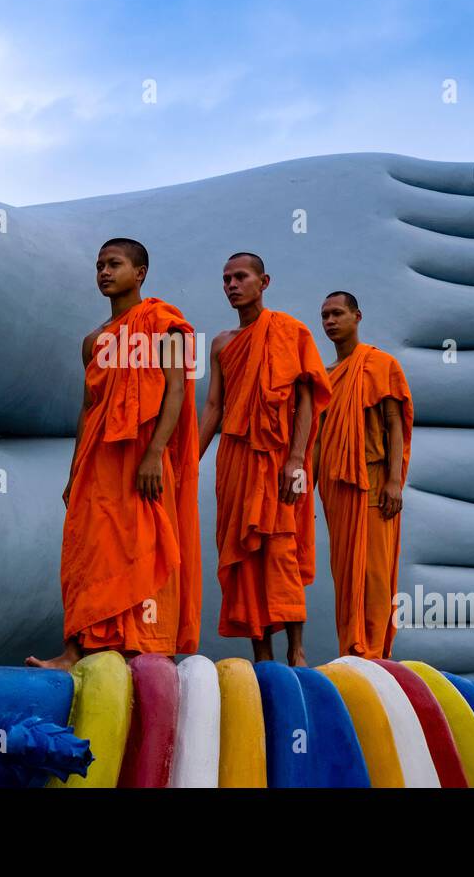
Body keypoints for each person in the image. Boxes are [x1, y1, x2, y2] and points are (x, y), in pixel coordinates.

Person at [27, 238, 200, 668]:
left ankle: (143, 648)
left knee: (143, 543)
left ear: (139, 273)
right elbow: (89, 407)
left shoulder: (167, 323)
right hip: (98, 460)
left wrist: (154, 454)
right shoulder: (93, 341)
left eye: (114, 264)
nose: (104, 272)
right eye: (100, 265)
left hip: (143, 456)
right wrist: (74, 471)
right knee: (88, 547)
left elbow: (175, 391)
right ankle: (75, 649)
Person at [198, 253, 330, 666]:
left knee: (280, 548)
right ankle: (261, 654)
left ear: (264, 281)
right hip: (235, 459)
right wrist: (188, 460)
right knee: (242, 552)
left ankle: (297, 650)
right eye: (225, 279)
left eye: (240, 277)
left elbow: (306, 401)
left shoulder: (290, 331)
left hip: (279, 458)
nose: (232, 285)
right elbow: (214, 406)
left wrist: (296, 460)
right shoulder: (222, 343)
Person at [313, 290, 413, 659]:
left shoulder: (378, 364)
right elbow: (320, 438)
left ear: (357, 316)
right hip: (337, 490)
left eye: (337, 314)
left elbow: (393, 423)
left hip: (372, 482)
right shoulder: (326, 377)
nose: (330, 322)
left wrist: (393, 481)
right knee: (345, 576)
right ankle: (352, 650)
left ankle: (374, 652)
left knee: (373, 573)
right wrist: (307, 485)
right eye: (324, 316)